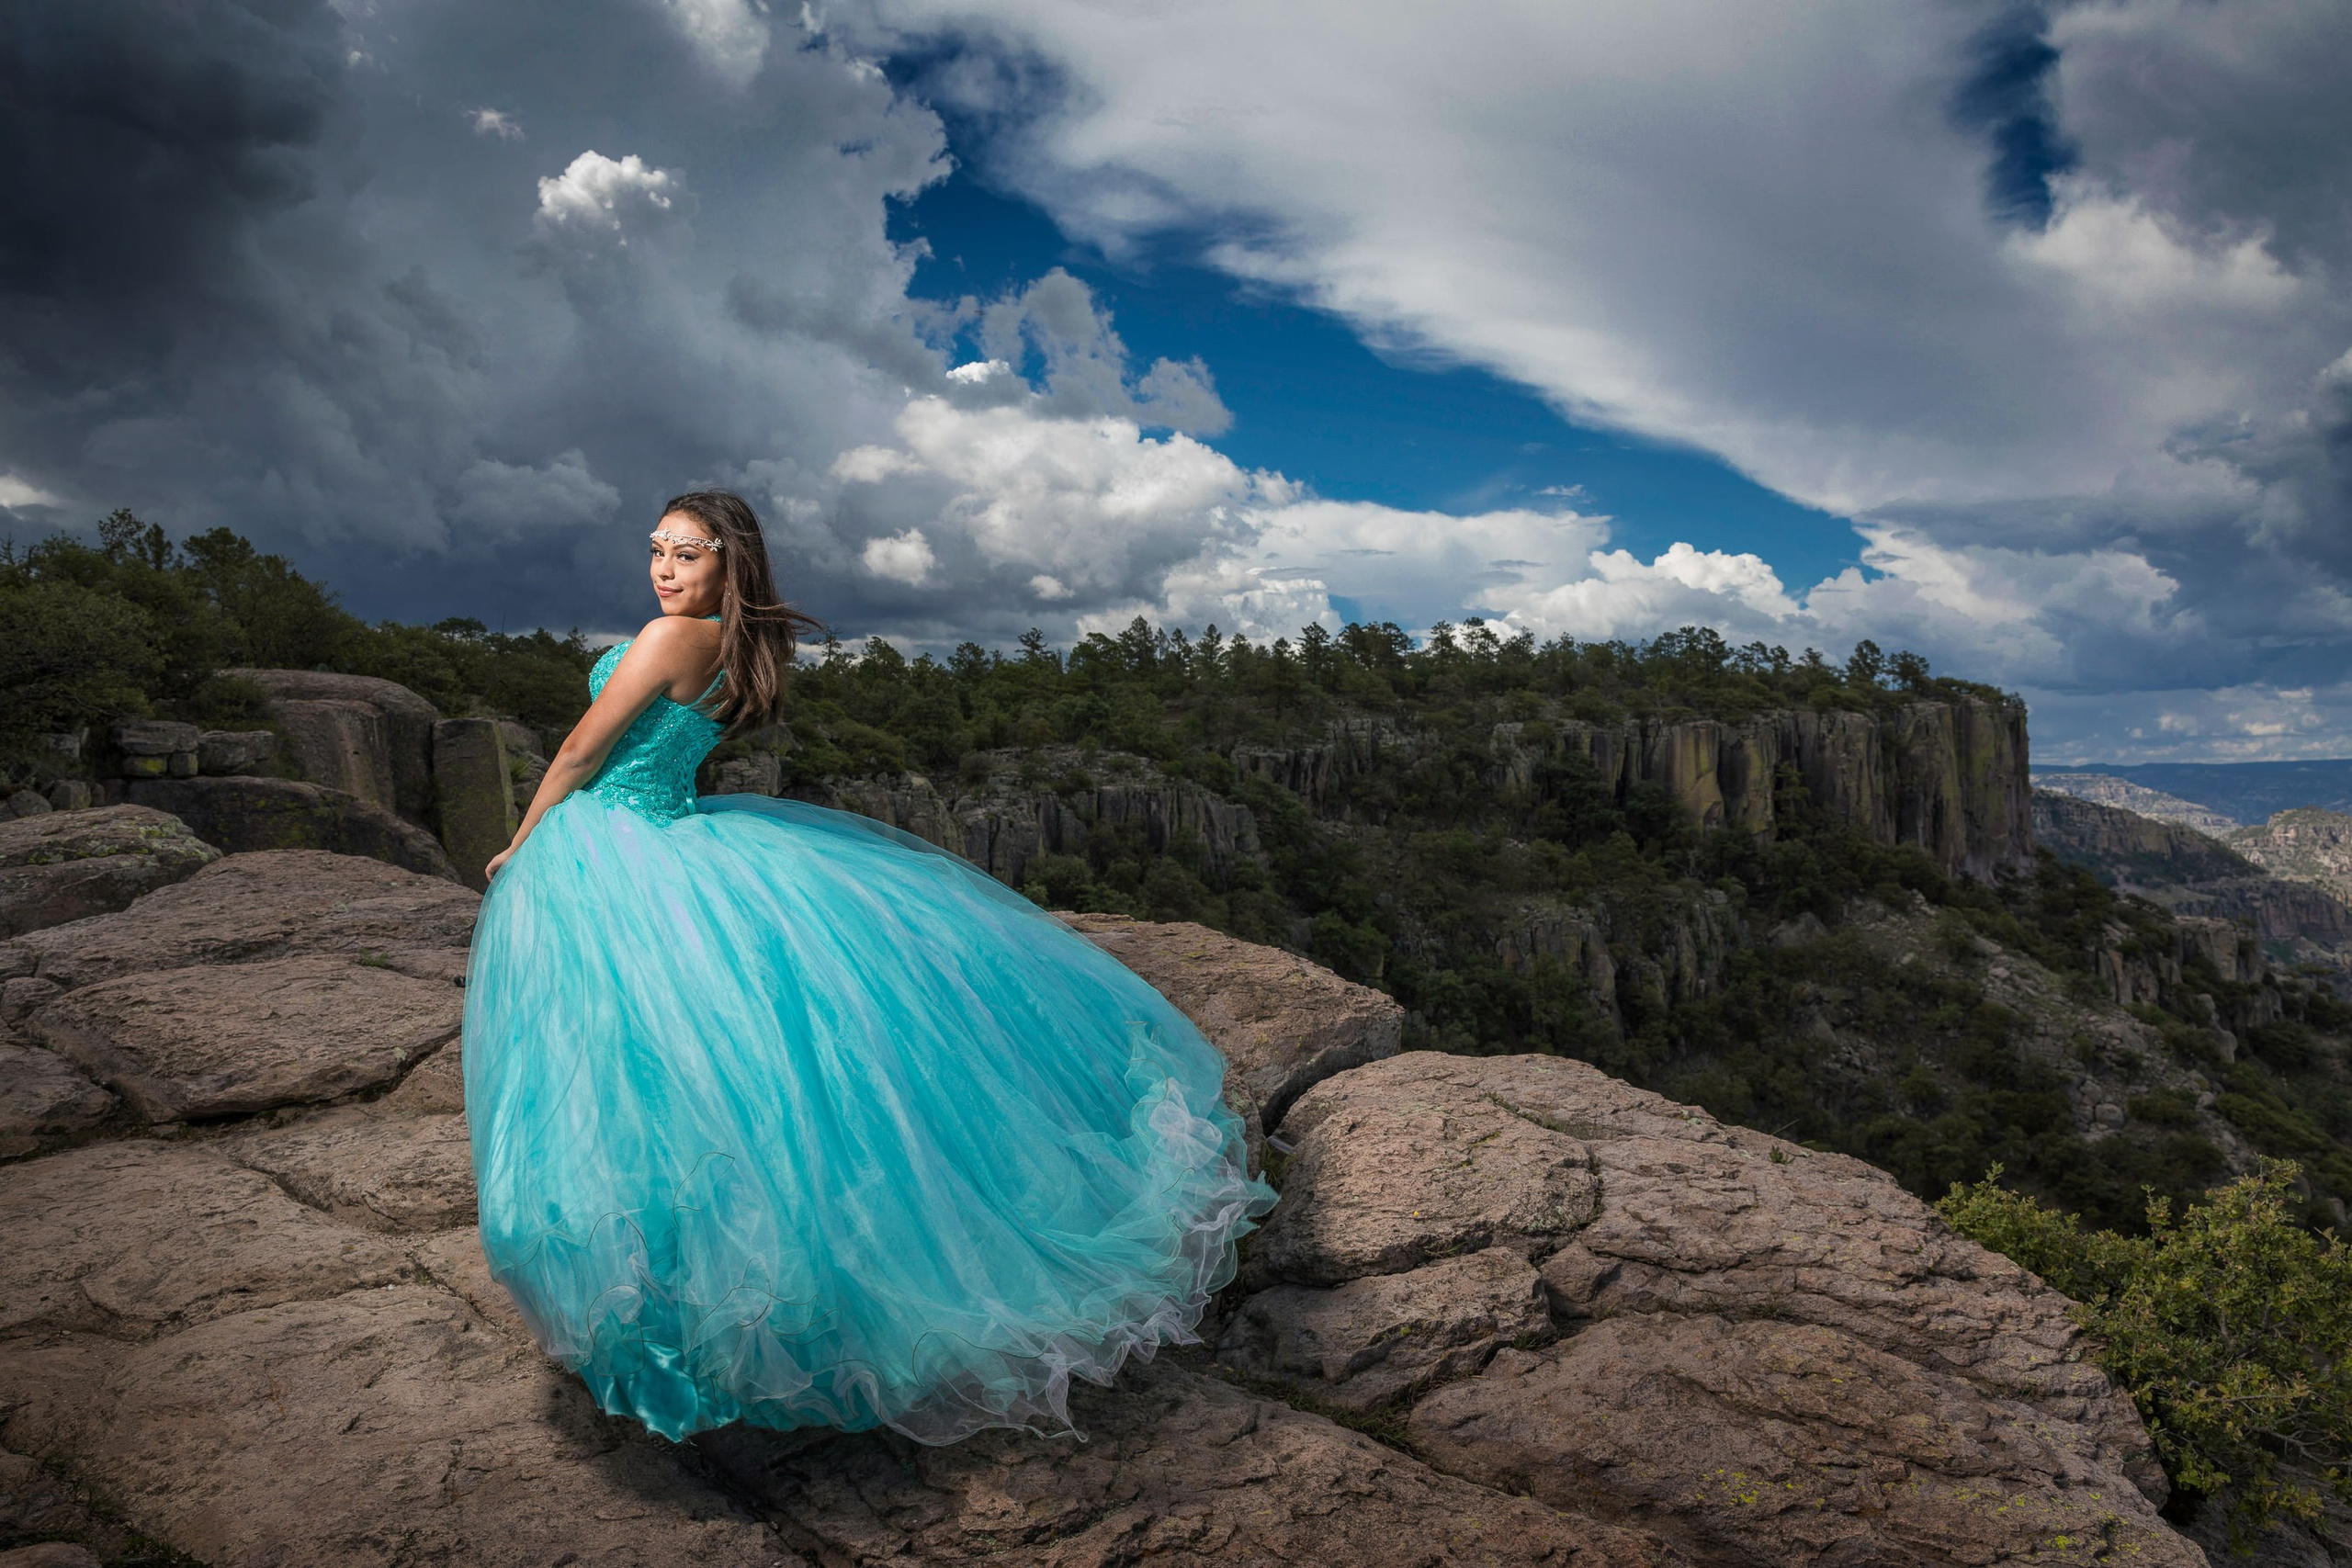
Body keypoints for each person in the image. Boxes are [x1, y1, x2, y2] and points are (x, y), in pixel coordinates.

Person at [462, 490, 1275, 1445]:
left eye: (686, 554)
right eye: (656, 550)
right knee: (716, 1068)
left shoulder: (664, 639)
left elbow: (576, 751)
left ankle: (660, 1300)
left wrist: (520, 842)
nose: (663, 569)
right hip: (677, 838)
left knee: (625, 1069)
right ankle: (688, 1292)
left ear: (731, 564)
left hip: (614, 840)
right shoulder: (737, 648)